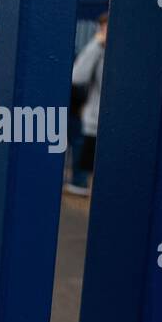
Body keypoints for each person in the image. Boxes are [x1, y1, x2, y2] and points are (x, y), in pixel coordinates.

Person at [66, 12, 107, 196]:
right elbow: (78, 76)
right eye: (102, 28)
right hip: (94, 120)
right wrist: (96, 44)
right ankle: (80, 182)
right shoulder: (97, 51)